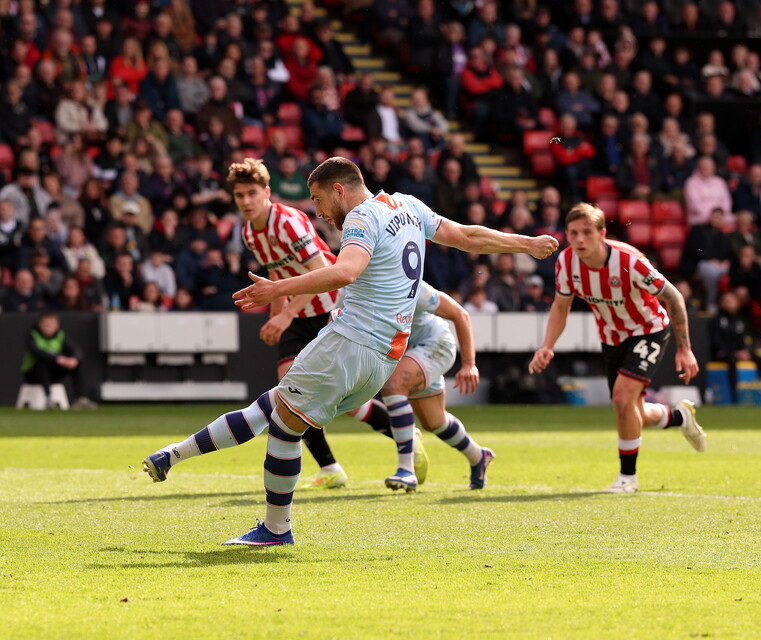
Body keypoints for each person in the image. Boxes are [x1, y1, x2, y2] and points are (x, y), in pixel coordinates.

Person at [142, 156, 558, 545]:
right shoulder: (408, 206)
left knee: (274, 416)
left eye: (320, 201)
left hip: (350, 342)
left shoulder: (362, 215)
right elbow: (467, 237)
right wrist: (526, 243)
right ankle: (190, 468)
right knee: (282, 419)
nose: (319, 212)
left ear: (340, 191)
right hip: (383, 359)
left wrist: (277, 290)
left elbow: (344, 271)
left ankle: (252, 511)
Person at [225, 157, 398, 489]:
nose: (245, 202)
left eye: (251, 193)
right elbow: (276, 272)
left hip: (326, 308)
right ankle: (330, 467)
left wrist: (285, 313)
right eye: (239, 196)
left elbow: (322, 272)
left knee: (336, 402)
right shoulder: (250, 232)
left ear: (267, 192)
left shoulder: (288, 221)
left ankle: (403, 435)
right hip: (294, 311)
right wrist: (278, 314)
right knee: (291, 394)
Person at [529, 203, 707, 494]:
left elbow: (674, 297)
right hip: (612, 337)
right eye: (573, 233)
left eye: (587, 232)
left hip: (648, 330)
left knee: (622, 399)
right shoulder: (566, 263)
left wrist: (684, 348)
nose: (580, 240)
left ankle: (628, 478)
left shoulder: (629, 261)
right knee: (632, 410)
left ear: (602, 233)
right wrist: (547, 346)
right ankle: (679, 417)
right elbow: (561, 306)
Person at [379, 281, 493, 493]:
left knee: (394, 387)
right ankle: (478, 456)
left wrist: (468, 364)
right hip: (406, 352)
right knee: (435, 422)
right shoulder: (353, 287)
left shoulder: (407, 283)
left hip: (434, 344)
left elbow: (460, 314)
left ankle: (406, 470)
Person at [22, 312, 97, 410]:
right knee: (42, 362)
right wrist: (58, 359)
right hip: (32, 374)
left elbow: (75, 350)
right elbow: (36, 352)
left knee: (74, 364)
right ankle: (49, 399)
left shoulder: (61, 336)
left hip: (53, 374)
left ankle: (80, 398)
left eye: (51, 324)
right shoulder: (32, 335)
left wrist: (74, 359)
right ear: (40, 325)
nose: (48, 327)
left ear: (57, 326)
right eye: (46, 324)